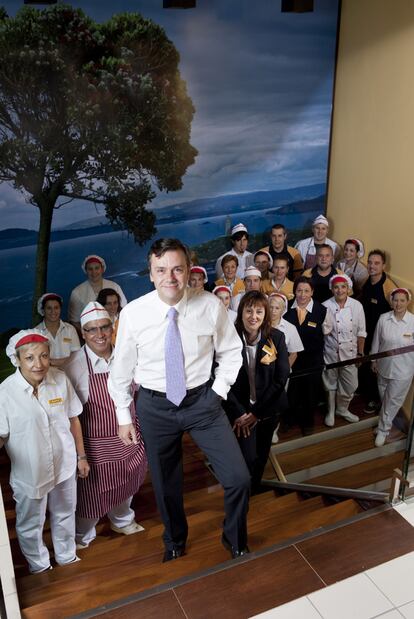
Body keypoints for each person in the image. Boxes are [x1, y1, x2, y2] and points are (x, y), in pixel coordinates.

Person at [108, 238, 251, 561]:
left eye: (177, 269)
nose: (169, 277)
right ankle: (174, 541)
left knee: (239, 478)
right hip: (155, 406)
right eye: (161, 270)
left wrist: (217, 392)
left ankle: (235, 538)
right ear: (151, 273)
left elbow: (231, 352)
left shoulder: (210, 305)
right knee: (165, 483)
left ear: (188, 271)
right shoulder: (133, 314)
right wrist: (123, 416)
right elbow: (121, 370)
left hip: (203, 402)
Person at [0, 330, 89, 573]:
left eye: (44, 356)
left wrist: (81, 456)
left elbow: (73, 419)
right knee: (31, 523)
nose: (38, 364)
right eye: (29, 358)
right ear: (17, 359)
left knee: (65, 513)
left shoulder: (60, 380)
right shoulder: (5, 393)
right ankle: (38, 565)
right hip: (30, 471)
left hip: (64, 463)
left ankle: (66, 556)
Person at [65, 302, 147, 549]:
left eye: (104, 327)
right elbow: (71, 416)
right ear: (82, 332)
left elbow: (139, 392)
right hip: (96, 444)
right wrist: (80, 454)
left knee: (128, 481)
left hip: (130, 435)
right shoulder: (75, 366)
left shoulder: (127, 355)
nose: (99, 335)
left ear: (113, 328)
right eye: (91, 330)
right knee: (91, 495)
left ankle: (121, 520)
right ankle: (83, 535)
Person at [222, 291, 290, 494]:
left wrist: (257, 413)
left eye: (259, 311)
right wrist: (240, 413)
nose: (254, 316)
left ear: (265, 314)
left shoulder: (276, 338)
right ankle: (240, 492)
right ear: (241, 313)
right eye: (249, 310)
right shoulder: (228, 339)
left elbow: (281, 378)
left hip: (267, 410)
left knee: (261, 454)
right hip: (241, 412)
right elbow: (220, 378)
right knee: (247, 456)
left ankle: (254, 489)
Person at [284, 277, 332, 434]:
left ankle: (307, 422)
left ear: (312, 292)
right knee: (292, 392)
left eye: (306, 291)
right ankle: (289, 419)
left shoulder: (322, 310)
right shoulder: (286, 309)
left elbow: (327, 331)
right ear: (294, 291)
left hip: (313, 360)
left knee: (310, 393)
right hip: (292, 360)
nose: (302, 295)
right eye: (299, 290)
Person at [370, 288, 414, 447]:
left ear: (408, 302)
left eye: (402, 300)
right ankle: (385, 424)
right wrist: (374, 360)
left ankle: (383, 430)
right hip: (383, 367)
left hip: (404, 371)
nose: (398, 303)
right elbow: (376, 341)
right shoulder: (383, 319)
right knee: (385, 399)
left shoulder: (413, 322)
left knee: (392, 402)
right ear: (391, 301)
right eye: (396, 300)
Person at [322, 274, 366, 427]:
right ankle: (331, 411)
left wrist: (360, 353)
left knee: (350, 385)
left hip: (351, 354)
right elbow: (324, 332)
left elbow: (361, 332)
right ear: (332, 289)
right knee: (330, 384)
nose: (339, 290)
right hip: (330, 353)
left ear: (348, 288)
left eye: (343, 287)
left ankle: (342, 409)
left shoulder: (356, 306)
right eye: (336, 287)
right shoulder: (325, 306)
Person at [359, 249, 397, 413]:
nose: (372, 266)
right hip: (365, 332)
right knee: (365, 363)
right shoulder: (367, 281)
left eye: (376, 263)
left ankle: (375, 400)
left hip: (380, 336)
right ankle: (365, 392)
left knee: (376, 368)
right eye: (370, 262)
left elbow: (397, 310)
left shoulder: (388, 287)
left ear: (384, 265)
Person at [68, 255, 127, 330]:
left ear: (102, 269)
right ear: (86, 271)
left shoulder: (114, 287)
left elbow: (124, 310)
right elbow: (75, 321)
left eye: (97, 268)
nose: (94, 272)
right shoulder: (77, 292)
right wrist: (89, 335)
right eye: (90, 269)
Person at [35, 293, 80, 367]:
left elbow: (77, 357)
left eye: (56, 307)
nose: (53, 311)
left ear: (60, 309)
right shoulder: (36, 332)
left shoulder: (70, 329)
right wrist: (66, 361)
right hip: (47, 376)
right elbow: (37, 360)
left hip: (70, 374)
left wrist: (50, 362)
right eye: (49, 308)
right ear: (43, 310)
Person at [268, 293, 304, 368]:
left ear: (283, 309)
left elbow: (293, 354)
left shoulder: (290, 328)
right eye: (271, 307)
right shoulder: (260, 325)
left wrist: (284, 371)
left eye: (277, 308)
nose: (273, 311)